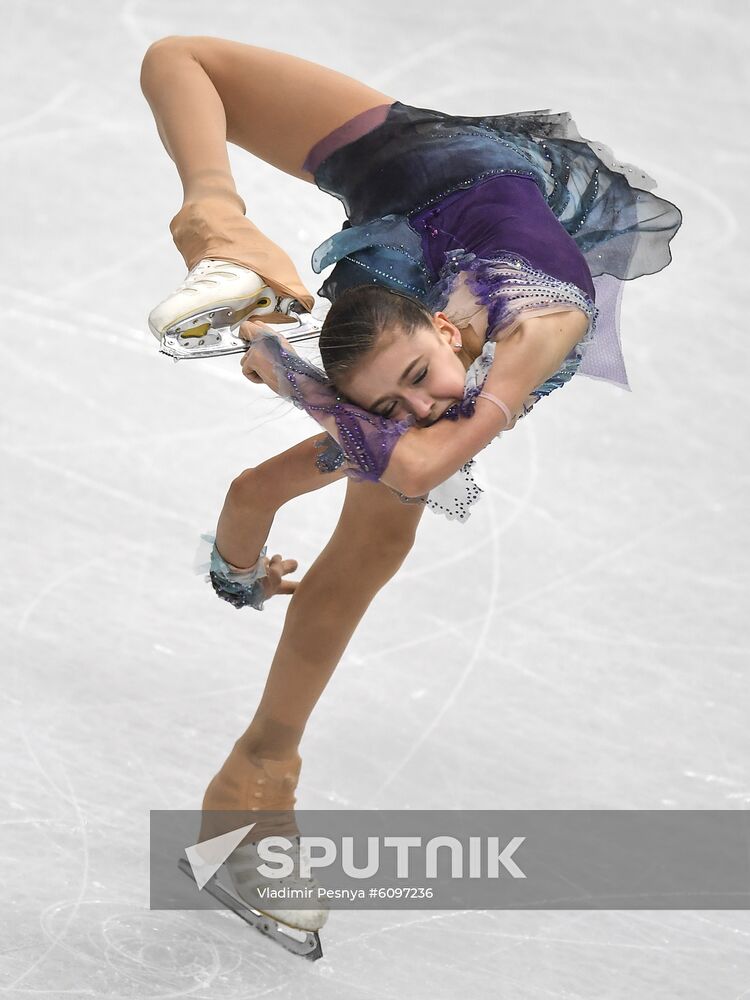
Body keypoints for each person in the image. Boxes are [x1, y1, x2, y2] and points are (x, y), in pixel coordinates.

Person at [139, 35, 682, 940]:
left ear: (441, 326)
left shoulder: (541, 324)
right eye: (394, 401)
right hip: (405, 219)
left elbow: (412, 460)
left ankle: (256, 777)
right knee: (382, 521)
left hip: (463, 171)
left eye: (423, 377)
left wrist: (280, 371)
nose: (434, 406)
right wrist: (210, 201)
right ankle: (220, 232)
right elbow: (174, 60)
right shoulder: (397, 330)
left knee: (384, 521)